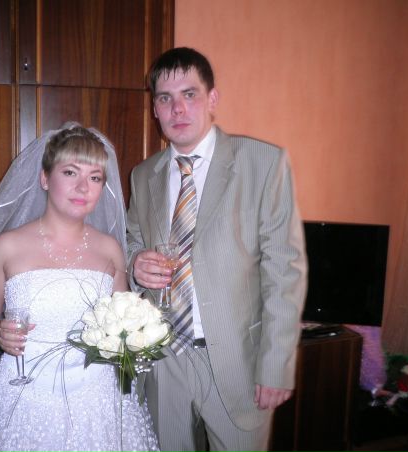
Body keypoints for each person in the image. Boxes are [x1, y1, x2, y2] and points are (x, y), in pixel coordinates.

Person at [0, 123, 160, 452]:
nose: (83, 187)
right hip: (23, 392)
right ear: (45, 178)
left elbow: (121, 319)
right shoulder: (7, 246)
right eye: (70, 172)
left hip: (97, 399)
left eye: (95, 177)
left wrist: (137, 335)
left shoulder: (110, 249)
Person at [126, 47, 308, 452]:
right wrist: (135, 262)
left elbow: (285, 271)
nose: (177, 108)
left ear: (212, 99)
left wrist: (276, 364)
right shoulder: (143, 175)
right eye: (165, 98)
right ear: (154, 109)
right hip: (164, 359)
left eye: (189, 94)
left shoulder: (263, 163)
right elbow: (131, 240)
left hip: (237, 360)